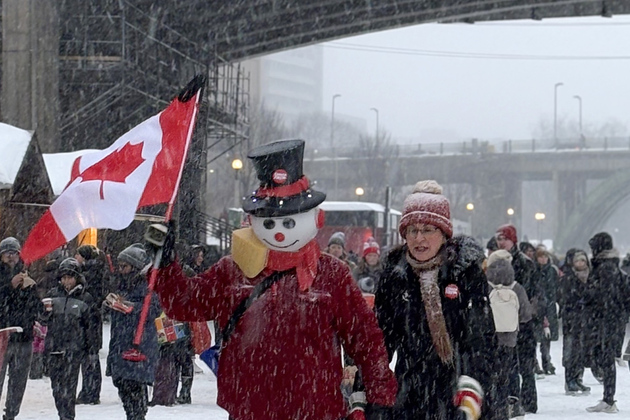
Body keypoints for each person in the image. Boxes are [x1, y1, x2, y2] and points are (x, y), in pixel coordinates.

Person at [153, 139, 397, 420]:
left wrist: (380, 395)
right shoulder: (232, 270)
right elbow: (184, 303)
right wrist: (166, 264)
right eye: (269, 222)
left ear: (316, 219)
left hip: (316, 411)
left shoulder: (331, 274)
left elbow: (364, 338)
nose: (280, 233)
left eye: (289, 222)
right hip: (250, 410)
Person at [373, 180, 496, 420]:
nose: (419, 239)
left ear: (444, 235)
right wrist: (370, 389)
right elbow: (379, 340)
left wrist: (471, 391)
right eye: (412, 230)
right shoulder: (394, 277)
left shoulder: (464, 273)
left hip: (457, 385)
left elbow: (479, 337)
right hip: (409, 389)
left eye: (428, 230)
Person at [105, 244, 160, 420]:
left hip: (139, 345)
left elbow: (153, 309)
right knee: (124, 388)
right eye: (119, 266)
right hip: (121, 343)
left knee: (135, 390)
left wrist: (132, 308)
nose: (121, 270)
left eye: (125, 266)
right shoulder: (122, 285)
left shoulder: (147, 287)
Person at [42, 258, 99, 420]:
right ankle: (63, 414)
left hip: (74, 349)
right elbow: (43, 320)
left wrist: (91, 350)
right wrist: (45, 313)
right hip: (54, 347)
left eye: (70, 277)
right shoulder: (53, 295)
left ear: (77, 278)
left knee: (69, 387)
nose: (66, 281)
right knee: (56, 388)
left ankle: (67, 417)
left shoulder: (85, 298)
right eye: (64, 278)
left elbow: (91, 326)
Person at [496, 224, 543, 414]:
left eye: (504, 238)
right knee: (509, 364)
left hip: (521, 321)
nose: (500, 242)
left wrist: (528, 312)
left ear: (512, 240)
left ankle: (528, 401)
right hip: (505, 320)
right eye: (499, 239)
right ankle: (513, 400)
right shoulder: (496, 261)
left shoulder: (523, 263)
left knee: (524, 364)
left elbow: (532, 291)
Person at [584, 232, 630, 413]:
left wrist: (590, 297)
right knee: (605, 356)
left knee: (604, 356)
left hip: (606, 319)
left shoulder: (605, 268)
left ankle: (609, 399)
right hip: (611, 318)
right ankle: (608, 398)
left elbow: (604, 295)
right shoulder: (610, 267)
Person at [485, 250, 533, 420]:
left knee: (490, 371)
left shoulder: (485, 286)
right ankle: (511, 402)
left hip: (489, 338)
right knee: (510, 371)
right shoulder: (516, 287)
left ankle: (492, 403)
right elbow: (526, 314)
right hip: (510, 339)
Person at [0, 237, 44, 420]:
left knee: (18, 382)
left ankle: (11, 414)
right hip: (2, 336)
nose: (11, 257)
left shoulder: (26, 274)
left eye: (15, 253)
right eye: (7, 253)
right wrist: (9, 287)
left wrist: (32, 293)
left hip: (23, 336)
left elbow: (36, 308)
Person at [74, 245, 107, 405]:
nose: (76, 257)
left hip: (89, 323)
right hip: (92, 322)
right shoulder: (96, 272)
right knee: (90, 358)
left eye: (78, 255)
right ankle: (90, 390)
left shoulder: (88, 275)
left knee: (90, 359)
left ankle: (90, 392)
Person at [557, 249, 592, 395]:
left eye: (582, 261)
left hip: (586, 319)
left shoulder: (591, 278)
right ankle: (569, 379)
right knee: (571, 351)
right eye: (578, 261)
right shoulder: (568, 278)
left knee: (582, 351)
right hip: (572, 320)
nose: (580, 263)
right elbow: (563, 297)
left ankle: (578, 378)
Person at [535, 248, 559, 375]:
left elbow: (556, 288)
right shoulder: (533, 270)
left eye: (545, 256)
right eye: (540, 257)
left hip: (549, 305)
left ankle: (546, 360)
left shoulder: (552, 271)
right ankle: (536, 362)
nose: (543, 259)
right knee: (535, 336)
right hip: (537, 305)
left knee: (546, 337)